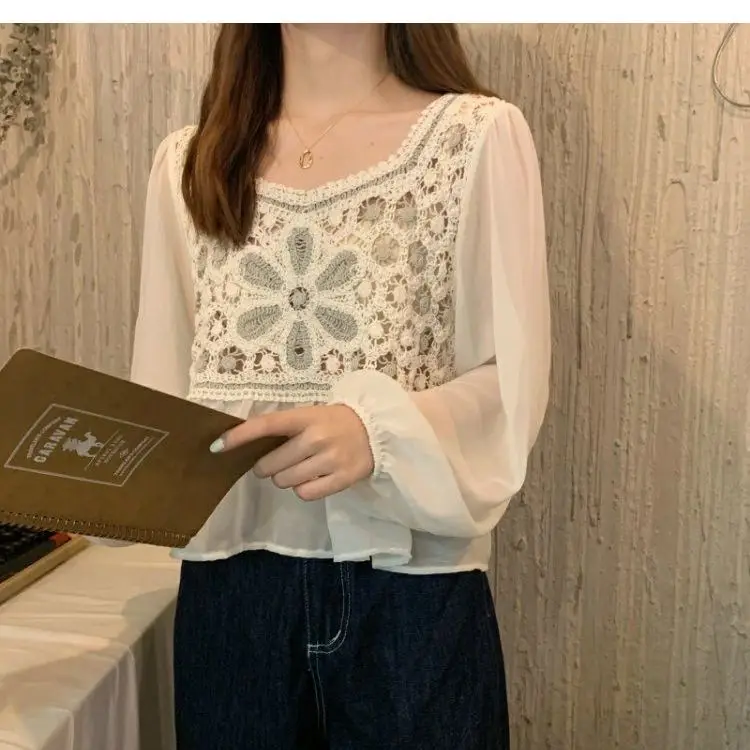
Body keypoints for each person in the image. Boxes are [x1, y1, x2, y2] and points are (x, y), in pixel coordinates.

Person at [132, 22, 550, 750]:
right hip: (229, 600)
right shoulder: (190, 163)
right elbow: (163, 402)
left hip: (408, 591)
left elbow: (509, 381)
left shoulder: (475, 139)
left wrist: (376, 433)